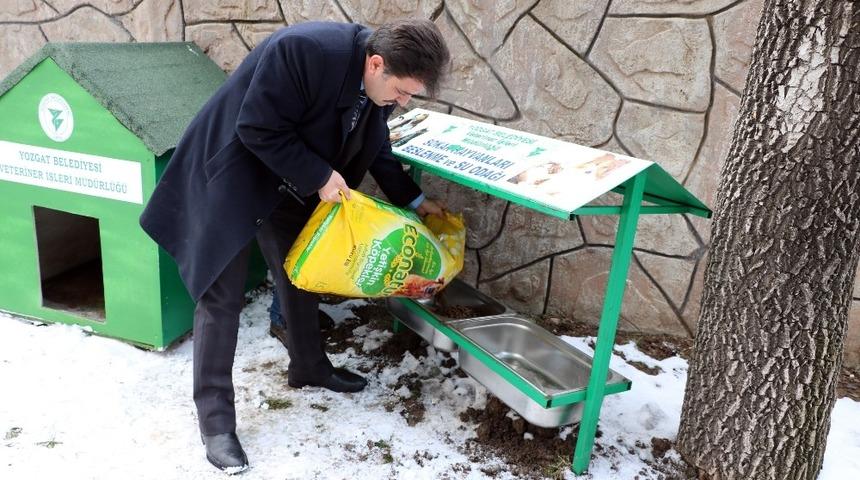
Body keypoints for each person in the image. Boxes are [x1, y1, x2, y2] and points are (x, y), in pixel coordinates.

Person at [139, 19, 450, 473]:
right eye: (402, 92)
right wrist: (321, 176)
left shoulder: (379, 85)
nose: (403, 102)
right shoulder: (305, 50)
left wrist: (415, 201)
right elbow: (257, 126)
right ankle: (216, 422)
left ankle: (309, 366)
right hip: (235, 173)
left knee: (303, 272)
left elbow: (376, 142)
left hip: (289, 179)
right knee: (221, 297)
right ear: (376, 64)